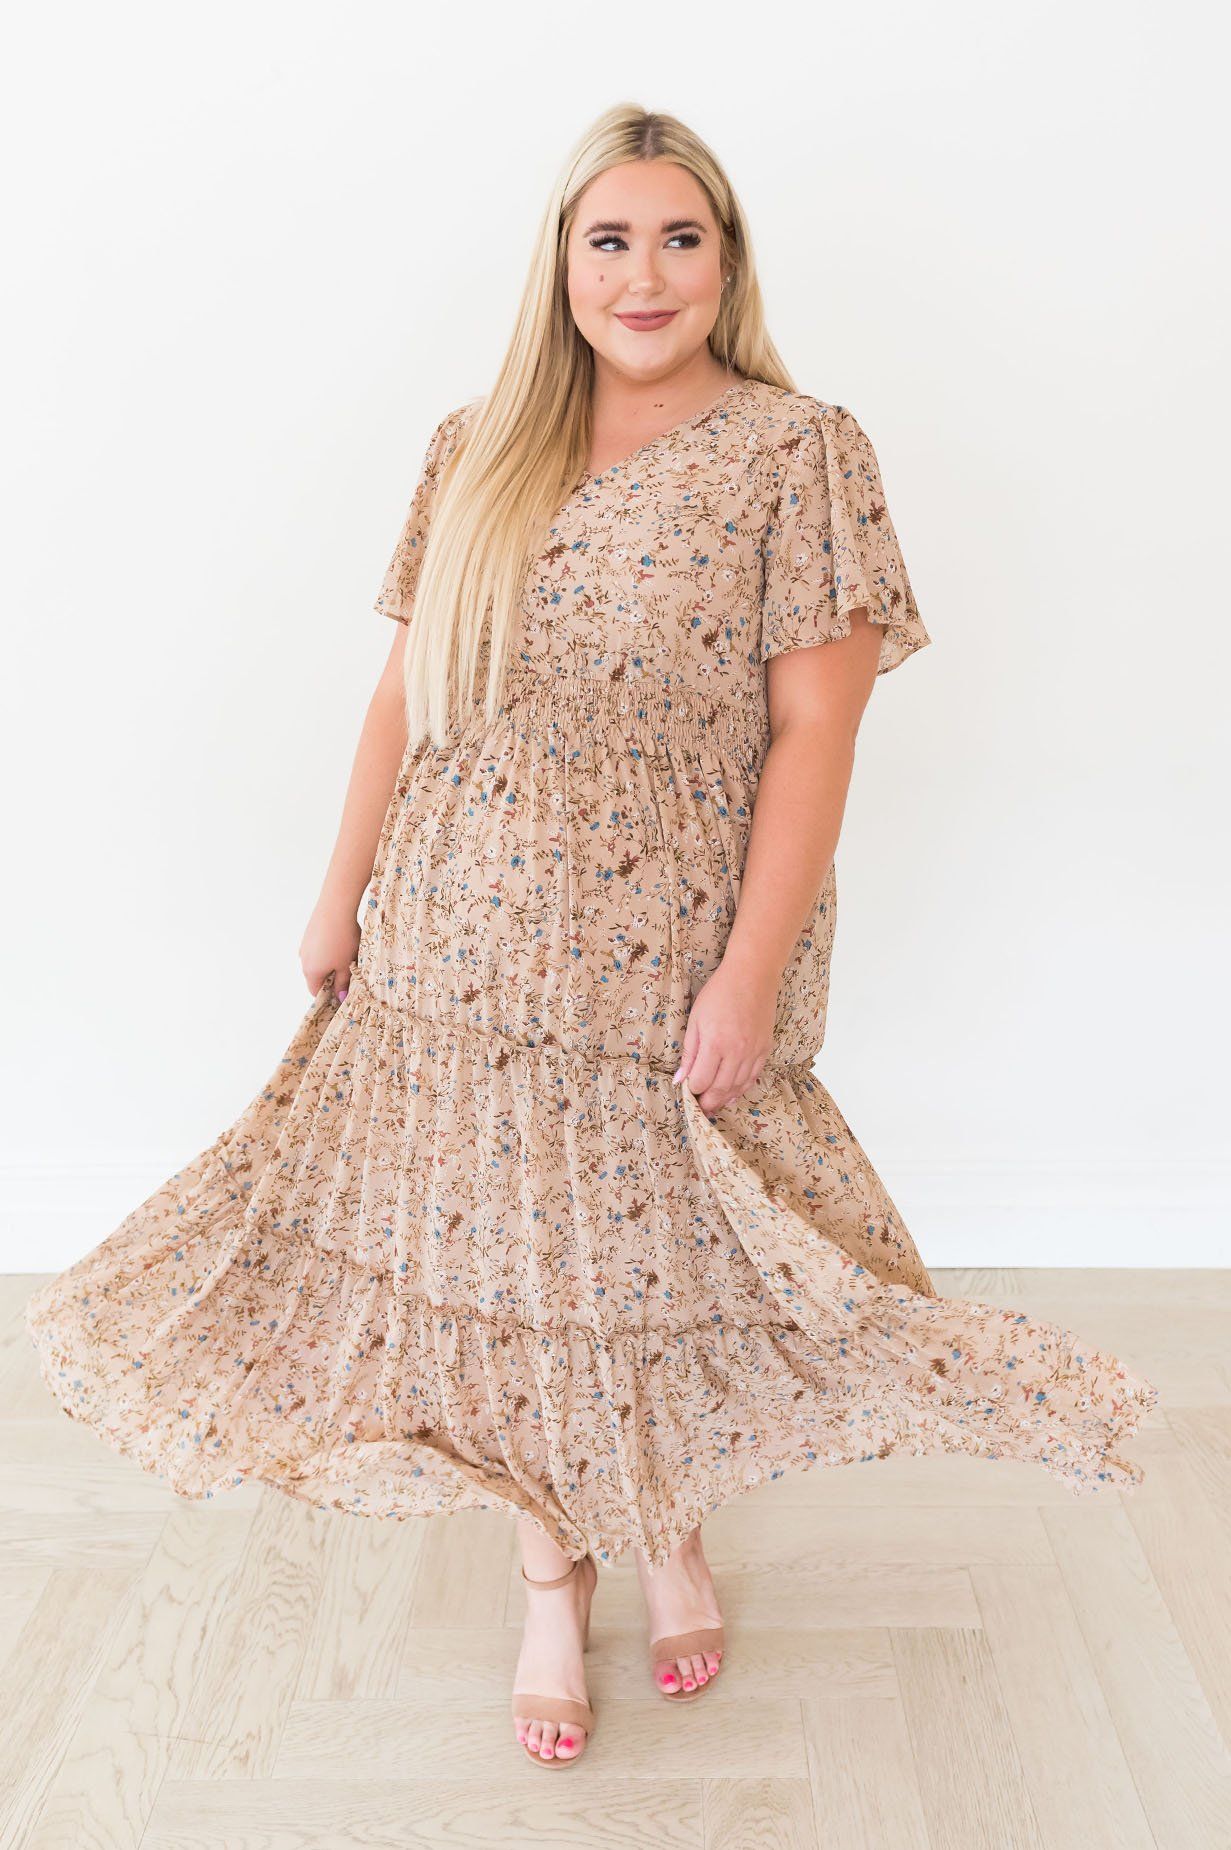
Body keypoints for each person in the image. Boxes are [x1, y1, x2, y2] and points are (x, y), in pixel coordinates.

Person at [25, 103, 1159, 1770]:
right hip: (455, 940)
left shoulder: (799, 452)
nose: (645, 275)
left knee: (651, 1261)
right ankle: (550, 1578)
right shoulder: (477, 444)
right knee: (504, 1270)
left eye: (680, 238)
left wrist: (749, 971)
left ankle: (666, 1523)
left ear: (729, 261)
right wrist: (340, 893)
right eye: (609, 240)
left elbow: (818, 732)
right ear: (559, 266)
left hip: (660, 941)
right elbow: (404, 697)